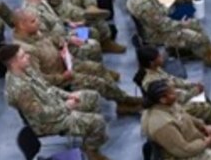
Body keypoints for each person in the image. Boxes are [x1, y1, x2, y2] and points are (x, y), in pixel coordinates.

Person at [0, 43, 115, 160]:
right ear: (14, 63)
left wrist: (67, 96)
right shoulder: (19, 89)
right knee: (98, 122)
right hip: (49, 122)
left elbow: (48, 87)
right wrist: (66, 107)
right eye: (23, 56)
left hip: (56, 105)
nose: (27, 56)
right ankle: (92, 152)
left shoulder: (27, 69)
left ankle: (87, 133)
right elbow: (40, 115)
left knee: (92, 97)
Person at [12, 9, 143, 115]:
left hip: (66, 61)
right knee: (98, 82)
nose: (38, 23)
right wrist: (61, 77)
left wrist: (65, 40)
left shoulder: (34, 31)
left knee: (97, 66)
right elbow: (39, 79)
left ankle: (122, 100)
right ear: (22, 25)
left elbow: (51, 36)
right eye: (34, 21)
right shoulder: (25, 50)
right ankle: (124, 101)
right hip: (62, 80)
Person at [136, 43, 211, 133]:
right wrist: (195, 91)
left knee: (203, 96)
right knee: (204, 107)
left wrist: (192, 85)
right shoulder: (151, 81)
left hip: (173, 100)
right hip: (170, 109)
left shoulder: (156, 70)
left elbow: (174, 80)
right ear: (151, 62)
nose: (162, 57)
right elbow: (174, 97)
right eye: (158, 57)